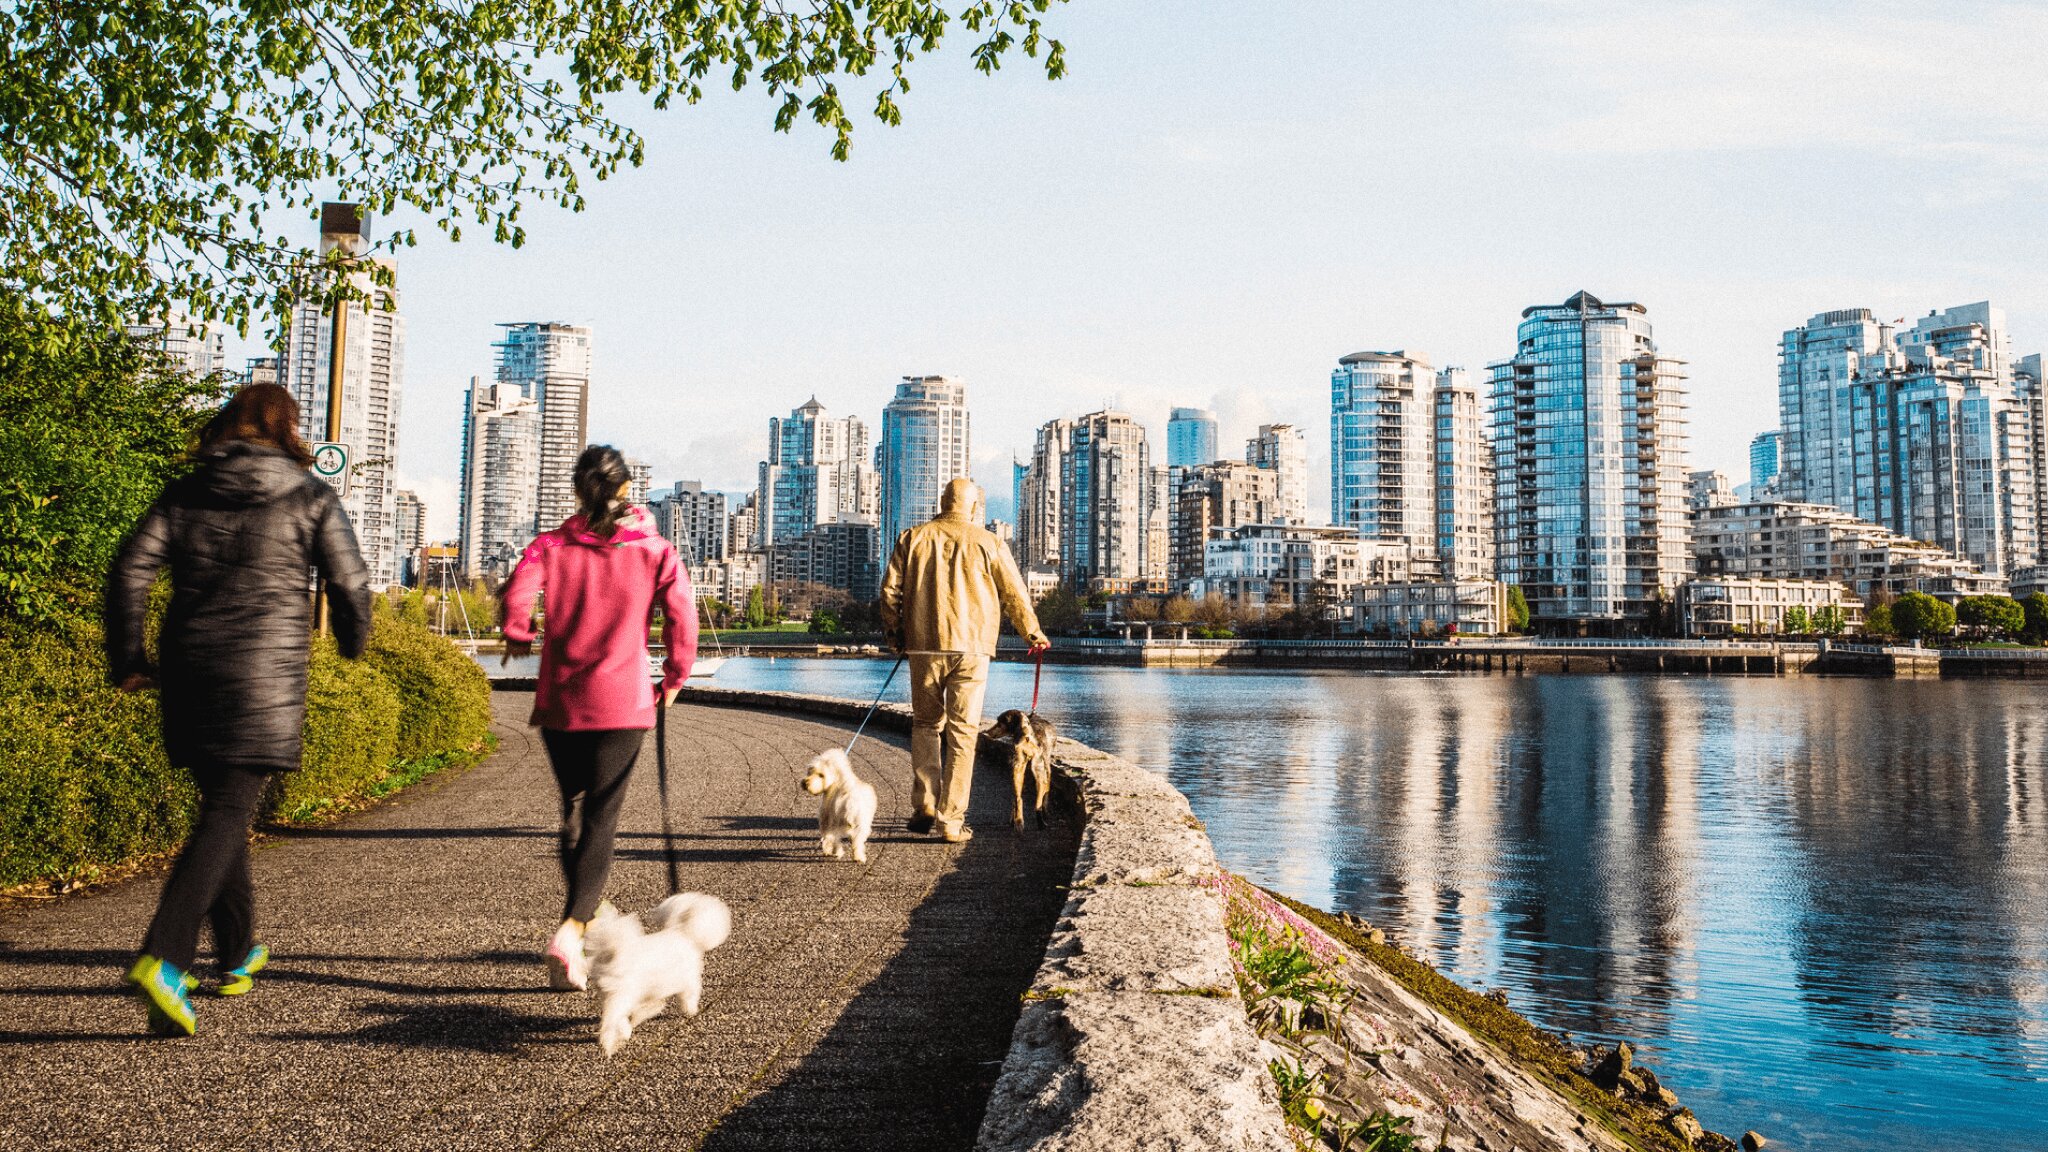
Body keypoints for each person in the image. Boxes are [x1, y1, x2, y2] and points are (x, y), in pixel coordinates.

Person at [106, 383, 372, 1036]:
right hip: (262, 676)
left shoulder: (187, 490)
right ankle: (164, 957)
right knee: (228, 811)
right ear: (288, 428)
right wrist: (353, 638)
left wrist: (130, 658)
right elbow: (350, 579)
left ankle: (233, 952)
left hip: (191, 671)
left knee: (225, 810)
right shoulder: (310, 494)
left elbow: (128, 571)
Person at [501, 445, 697, 990]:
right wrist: (676, 676)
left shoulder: (552, 545)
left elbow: (519, 592)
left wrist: (520, 632)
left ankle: (580, 924)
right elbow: (683, 615)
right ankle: (572, 928)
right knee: (603, 819)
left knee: (574, 809)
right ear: (627, 488)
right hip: (624, 699)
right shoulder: (655, 549)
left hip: (562, 697)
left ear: (577, 490)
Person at [879, 477, 1050, 844]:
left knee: (926, 725)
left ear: (943, 502)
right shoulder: (990, 542)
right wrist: (1032, 634)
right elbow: (1014, 594)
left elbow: (890, 592)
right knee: (962, 734)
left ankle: (925, 801)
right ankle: (950, 821)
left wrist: (897, 636)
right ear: (973, 507)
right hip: (972, 649)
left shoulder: (913, 538)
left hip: (924, 646)